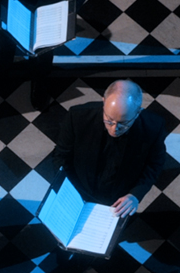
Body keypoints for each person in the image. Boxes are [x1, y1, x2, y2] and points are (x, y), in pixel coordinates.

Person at [53, 80, 166, 218]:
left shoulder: (154, 127)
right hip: (80, 190)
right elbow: (61, 156)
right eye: (109, 120)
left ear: (137, 113)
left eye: (123, 123)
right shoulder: (77, 117)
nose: (114, 129)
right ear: (103, 102)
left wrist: (135, 195)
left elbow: (154, 164)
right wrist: (69, 192)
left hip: (119, 198)